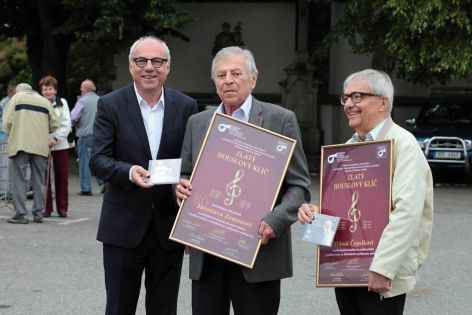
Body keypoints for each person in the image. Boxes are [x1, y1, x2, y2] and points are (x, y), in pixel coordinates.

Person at [175, 46, 311, 315]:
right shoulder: (198, 123)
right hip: (207, 251)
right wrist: (179, 188)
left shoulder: (280, 120)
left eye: (236, 73)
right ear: (214, 83)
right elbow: (186, 174)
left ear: (253, 79)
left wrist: (276, 220)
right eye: (221, 75)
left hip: (258, 253)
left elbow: (299, 186)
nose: (228, 80)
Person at [298, 69, 433, 315]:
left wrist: (383, 267)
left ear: (383, 101)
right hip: (346, 273)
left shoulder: (404, 144)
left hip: (381, 277)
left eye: (357, 97)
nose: (348, 104)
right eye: (346, 98)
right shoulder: (346, 150)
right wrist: (315, 216)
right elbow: (343, 210)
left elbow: (407, 212)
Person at [90, 36, 198, 315]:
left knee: (164, 309)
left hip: (168, 227)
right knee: (118, 307)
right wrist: (127, 171)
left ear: (168, 67)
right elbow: (98, 160)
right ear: (131, 66)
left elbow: (193, 164)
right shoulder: (110, 104)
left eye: (157, 61)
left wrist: (191, 219)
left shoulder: (186, 106)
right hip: (122, 227)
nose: (149, 67)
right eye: (141, 60)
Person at [2, 83, 59, 223]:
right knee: (39, 180)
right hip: (40, 146)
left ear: (19, 91)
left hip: (20, 144)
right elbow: (54, 124)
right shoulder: (44, 101)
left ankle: (21, 214)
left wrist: (12, 133)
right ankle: (38, 213)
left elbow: (6, 123)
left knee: (19, 180)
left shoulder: (16, 98)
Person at [39, 75, 73, 218]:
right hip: (42, 144)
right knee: (44, 177)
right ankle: (46, 208)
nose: (48, 92)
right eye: (45, 89)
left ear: (55, 90)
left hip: (60, 144)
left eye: (50, 89)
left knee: (61, 176)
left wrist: (56, 138)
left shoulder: (62, 102)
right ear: (41, 91)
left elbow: (66, 123)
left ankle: (62, 208)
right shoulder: (39, 102)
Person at [71, 79, 104, 195]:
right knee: (98, 160)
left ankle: (86, 188)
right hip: (100, 136)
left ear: (85, 89)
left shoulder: (82, 101)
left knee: (84, 163)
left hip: (85, 135)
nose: (80, 90)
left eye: (81, 88)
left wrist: (73, 126)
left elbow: (73, 118)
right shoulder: (101, 100)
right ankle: (104, 182)